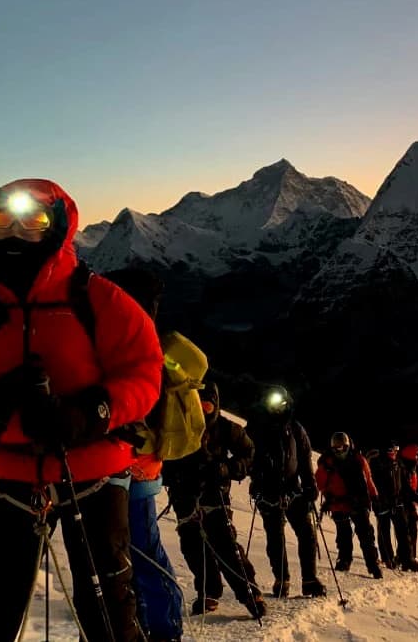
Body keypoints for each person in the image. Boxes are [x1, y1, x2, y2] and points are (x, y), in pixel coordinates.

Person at [0, 179, 162, 642]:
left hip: (92, 472)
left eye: (32, 220)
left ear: (56, 227)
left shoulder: (97, 299)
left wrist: (89, 413)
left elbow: (145, 374)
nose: (15, 231)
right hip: (13, 474)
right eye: (2, 220)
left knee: (107, 604)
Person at [103, 267, 185, 642]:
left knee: (141, 552)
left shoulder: (140, 348)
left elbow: (142, 412)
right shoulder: (131, 341)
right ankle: (146, 624)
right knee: (128, 554)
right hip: (125, 470)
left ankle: (166, 627)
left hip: (134, 471)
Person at [162, 382, 267, 619]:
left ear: (216, 405)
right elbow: (166, 455)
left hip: (215, 492)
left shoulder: (226, 428)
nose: (202, 410)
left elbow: (249, 454)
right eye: (197, 404)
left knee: (225, 543)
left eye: (207, 405)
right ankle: (209, 591)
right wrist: (171, 475)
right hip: (184, 494)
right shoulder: (179, 426)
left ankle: (249, 591)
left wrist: (227, 469)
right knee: (192, 545)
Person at [248, 385, 327, 598]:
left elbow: (304, 459)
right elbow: (250, 457)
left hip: (293, 488)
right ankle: (281, 578)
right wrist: (255, 482)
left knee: (306, 534)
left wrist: (310, 486)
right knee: (275, 537)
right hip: (268, 489)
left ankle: (309, 579)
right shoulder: (258, 428)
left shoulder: (295, 429)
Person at [315, 432, 383, 579]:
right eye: (336, 448)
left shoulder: (358, 460)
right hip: (338, 503)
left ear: (348, 445)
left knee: (365, 534)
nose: (339, 451)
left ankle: (372, 564)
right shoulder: (327, 463)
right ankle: (344, 560)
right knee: (343, 533)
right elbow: (319, 482)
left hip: (359, 501)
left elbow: (368, 479)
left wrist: (374, 496)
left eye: (342, 447)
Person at [367, 441, 408, 570]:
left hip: (396, 503)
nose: (395, 452)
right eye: (393, 450)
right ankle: (388, 558)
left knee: (402, 530)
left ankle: (403, 558)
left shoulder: (397, 463)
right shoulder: (378, 464)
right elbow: (375, 485)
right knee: (384, 531)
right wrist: (380, 501)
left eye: (397, 450)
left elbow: (403, 483)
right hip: (382, 504)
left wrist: (409, 496)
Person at [397, 444, 418, 572]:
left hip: (409, 503)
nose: (417, 457)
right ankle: (408, 559)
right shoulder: (405, 469)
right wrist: (417, 497)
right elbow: (406, 489)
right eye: (416, 454)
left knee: (408, 532)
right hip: (405, 504)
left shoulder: (409, 468)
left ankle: (405, 557)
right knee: (409, 532)